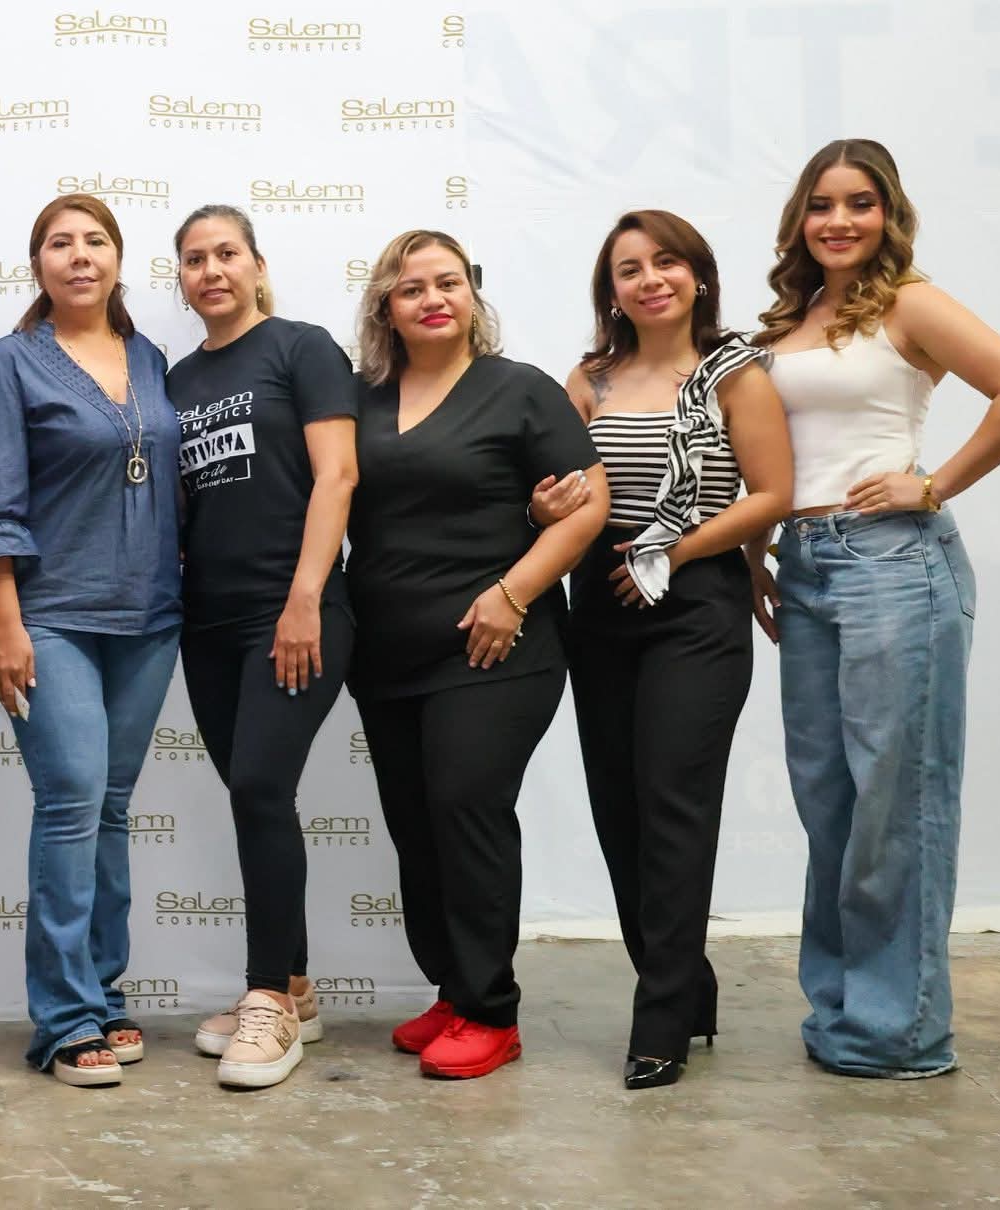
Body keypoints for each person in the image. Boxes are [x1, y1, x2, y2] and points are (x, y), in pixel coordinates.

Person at [748, 139, 1000, 1079]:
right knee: (830, 800)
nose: (840, 220)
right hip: (805, 567)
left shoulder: (908, 304)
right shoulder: (791, 318)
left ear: (889, 215)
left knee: (896, 798)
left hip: (892, 565)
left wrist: (934, 483)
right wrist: (760, 548)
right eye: (823, 204)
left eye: (862, 203)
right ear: (800, 218)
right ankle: (843, 1009)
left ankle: (901, 1031)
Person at [346, 229, 608, 1080]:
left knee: (465, 808)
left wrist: (512, 595)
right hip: (385, 656)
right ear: (387, 304)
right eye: (412, 286)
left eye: (449, 282)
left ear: (472, 294)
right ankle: (455, 991)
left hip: (499, 648)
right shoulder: (361, 397)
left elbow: (585, 507)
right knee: (415, 826)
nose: (433, 298)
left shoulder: (520, 391)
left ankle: (493, 1010)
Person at [556, 210, 793, 1089]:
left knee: (672, 809)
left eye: (666, 262)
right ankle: (686, 983)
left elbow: (772, 492)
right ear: (609, 288)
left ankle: (658, 1025)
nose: (649, 278)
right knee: (618, 810)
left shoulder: (735, 373)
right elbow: (549, 480)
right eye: (629, 268)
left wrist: (675, 549)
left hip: (695, 604)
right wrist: (549, 511)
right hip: (600, 604)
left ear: (698, 275)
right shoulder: (588, 379)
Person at [0, 194, 181, 1087]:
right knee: (71, 802)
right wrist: (4, 624)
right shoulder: (7, 364)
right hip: (48, 617)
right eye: (60, 242)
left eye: (95, 241)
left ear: (119, 260)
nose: (79, 256)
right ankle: (61, 1020)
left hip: (150, 618)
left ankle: (102, 991)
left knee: (112, 807)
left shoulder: (154, 360)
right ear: (38, 264)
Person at [162, 205, 356, 1088]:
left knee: (260, 785)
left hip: (294, 612)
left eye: (226, 254)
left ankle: (266, 1001)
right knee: (255, 798)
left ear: (257, 264)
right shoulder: (173, 380)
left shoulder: (302, 348)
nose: (212, 271)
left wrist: (305, 597)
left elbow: (338, 474)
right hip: (207, 624)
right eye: (195, 259)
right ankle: (299, 986)